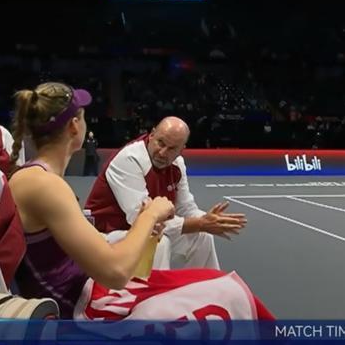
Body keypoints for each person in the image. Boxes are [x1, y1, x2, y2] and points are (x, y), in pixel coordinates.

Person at [5, 82, 299, 345]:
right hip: (77, 307)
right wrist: (152, 215)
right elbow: (115, 271)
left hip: (84, 285)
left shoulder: (41, 179)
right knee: (220, 304)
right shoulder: (45, 185)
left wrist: (181, 223)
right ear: (74, 127)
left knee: (219, 286)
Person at [85, 116, 244, 271]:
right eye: (160, 143)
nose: (162, 153)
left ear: (181, 150)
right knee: (159, 242)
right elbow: (140, 220)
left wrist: (209, 220)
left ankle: (205, 286)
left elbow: (186, 208)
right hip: (104, 235)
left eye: (172, 148)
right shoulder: (130, 159)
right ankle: (156, 289)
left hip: (139, 232)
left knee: (202, 236)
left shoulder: (177, 164)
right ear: (152, 135)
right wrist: (201, 223)